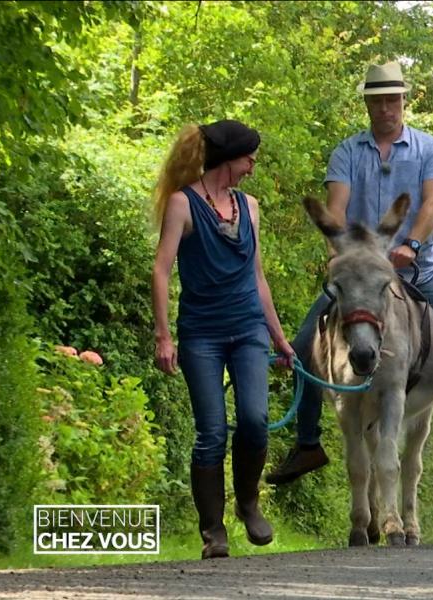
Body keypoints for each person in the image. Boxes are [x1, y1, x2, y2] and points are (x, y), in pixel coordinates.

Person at [266, 60, 433, 494]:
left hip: (419, 271)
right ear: (368, 104)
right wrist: (340, 250)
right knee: (301, 344)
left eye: (392, 99)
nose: (385, 108)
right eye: (377, 100)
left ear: (403, 101)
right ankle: (307, 443)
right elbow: (334, 208)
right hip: (360, 276)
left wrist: (409, 244)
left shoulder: (431, 149)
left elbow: (432, 204)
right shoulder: (347, 152)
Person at [151, 119, 295, 559]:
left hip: (248, 329)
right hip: (201, 335)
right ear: (229, 159)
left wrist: (279, 338)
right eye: (249, 158)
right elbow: (161, 269)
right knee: (211, 432)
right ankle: (213, 531)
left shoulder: (249, 208)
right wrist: (164, 336)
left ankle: (248, 504)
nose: (252, 166)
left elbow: (258, 277)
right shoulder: (182, 204)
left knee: (253, 419)